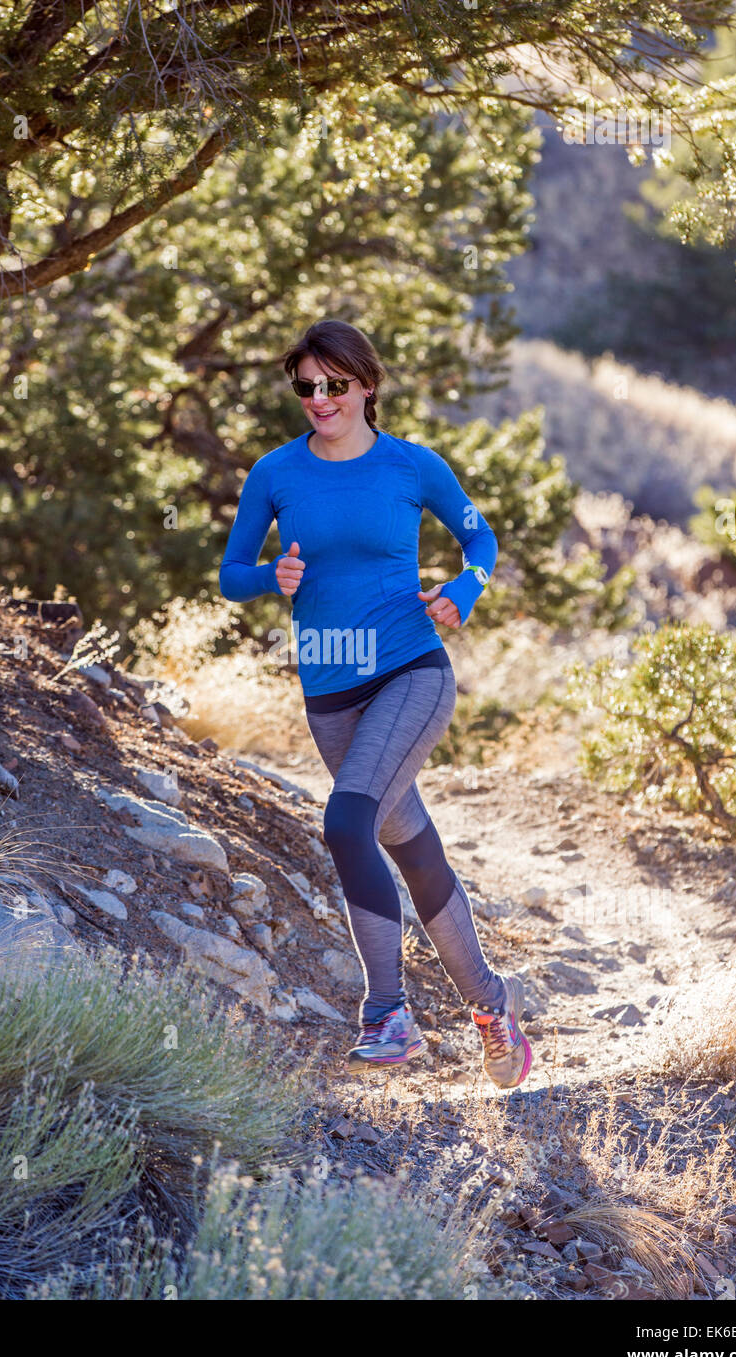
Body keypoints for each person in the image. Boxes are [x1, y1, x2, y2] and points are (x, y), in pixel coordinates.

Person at [218, 318, 531, 1089]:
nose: (319, 400)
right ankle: (491, 1006)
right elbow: (231, 573)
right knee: (410, 846)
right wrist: (271, 580)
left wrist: (463, 590)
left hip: (409, 669)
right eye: (305, 387)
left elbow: (481, 543)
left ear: (367, 385)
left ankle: (386, 1013)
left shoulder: (412, 466)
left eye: (334, 385)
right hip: (328, 691)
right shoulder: (274, 474)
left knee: (344, 819)